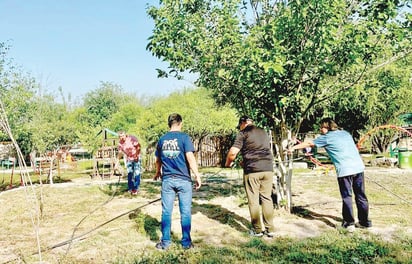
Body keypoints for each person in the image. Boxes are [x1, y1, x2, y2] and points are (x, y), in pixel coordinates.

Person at [290, 118, 371, 232]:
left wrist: (292, 148)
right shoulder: (345, 133)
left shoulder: (326, 137)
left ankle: (349, 224)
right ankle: (365, 222)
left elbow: (309, 143)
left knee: (347, 197)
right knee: (361, 195)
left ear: (326, 127)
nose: (320, 130)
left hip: (344, 170)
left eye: (321, 127)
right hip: (358, 167)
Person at [153, 113, 202, 250]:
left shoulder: (162, 139)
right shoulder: (184, 138)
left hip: (167, 180)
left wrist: (158, 172)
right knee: (185, 212)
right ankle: (186, 243)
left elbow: (158, 160)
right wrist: (197, 175)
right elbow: (190, 157)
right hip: (184, 180)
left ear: (169, 124)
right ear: (180, 123)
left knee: (166, 212)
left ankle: (165, 242)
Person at [225, 115, 276, 238]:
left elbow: (233, 152)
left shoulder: (243, 133)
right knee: (266, 198)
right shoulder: (263, 132)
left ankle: (257, 230)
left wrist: (227, 164)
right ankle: (270, 229)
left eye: (240, 126)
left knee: (253, 200)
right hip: (268, 168)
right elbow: (260, 149)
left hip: (253, 170)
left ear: (243, 123)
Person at [117, 131, 141, 195]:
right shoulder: (120, 144)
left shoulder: (131, 138)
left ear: (125, 135)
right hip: (129, 159)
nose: (121, 138)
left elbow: (138, 147)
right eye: (120, 136)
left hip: (136, 157)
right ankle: (130, 188)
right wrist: (117, 162)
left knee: (136, 172)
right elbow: (120, 153)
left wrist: (136, 156)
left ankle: (136, 188)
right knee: (130, 173)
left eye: (122, 136)